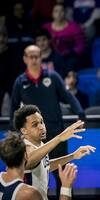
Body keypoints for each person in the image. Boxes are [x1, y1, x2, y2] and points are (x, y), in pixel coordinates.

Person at [9, 45, 86, 197]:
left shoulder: (52, 76)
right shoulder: (20, 81)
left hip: (55, 130)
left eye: (36, 56)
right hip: (34, 136)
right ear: (25, 59)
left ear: (41, 57)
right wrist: (14, 135)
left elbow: (68, 96)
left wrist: (80, 112)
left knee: (63, 175)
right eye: (30, 57)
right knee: (30, 170)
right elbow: (13, 109)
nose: (34, 60)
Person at [12, 104, 95, 199]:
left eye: (41, 122)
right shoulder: (24, 146)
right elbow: (29, 161)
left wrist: (72, 156)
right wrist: (59, 138)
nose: (41, 127)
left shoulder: (40, 144)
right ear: (24, 130)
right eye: (35, 124)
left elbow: (45, 166)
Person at [0, 132, 78, 200]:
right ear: (26, 156)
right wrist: (66, 187)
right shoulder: (29, 194)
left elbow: (45, 165)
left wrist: (72, 156)